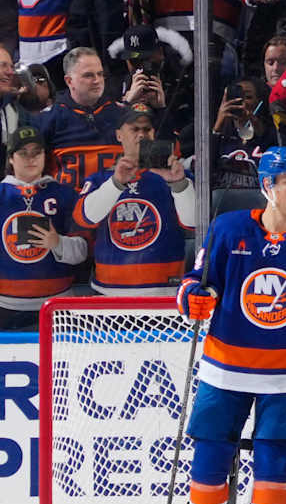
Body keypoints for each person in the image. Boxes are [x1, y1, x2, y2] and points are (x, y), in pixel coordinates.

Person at [166, 148, 286, 504]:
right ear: (265, 186)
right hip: (225, 366)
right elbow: (197, 281)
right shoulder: (229, 227)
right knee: (211, 454)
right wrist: (192, 298)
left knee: (275, 461)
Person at [76, 103, 192, 295]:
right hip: (109, 293)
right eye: (134, 129)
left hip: (165, 292)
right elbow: (86, 218)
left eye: (147, 129)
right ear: (119, 135)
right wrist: (116, 183)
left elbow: (194, 223)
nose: (141, 135)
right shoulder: (100, 179)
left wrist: (179, 184)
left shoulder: (176, 175)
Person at [0, 125, 86, 326]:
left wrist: (58, 243)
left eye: (37, 152)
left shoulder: (65, 195)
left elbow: (83, 251)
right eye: (23, 153)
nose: (31, 159)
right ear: (11, 158)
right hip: (5, 307)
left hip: (59, 306)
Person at [39, 46, 126, 185]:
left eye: (100, 74)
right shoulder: (47, 120)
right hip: (68, 204)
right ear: (69, 81)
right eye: (88, 75)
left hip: (116, 201)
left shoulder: (123, 115)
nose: (97, 80)